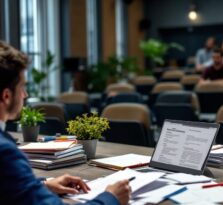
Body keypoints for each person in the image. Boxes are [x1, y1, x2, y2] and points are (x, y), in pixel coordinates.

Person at [0, 41, 131, 205]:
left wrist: (44, 186)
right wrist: (111, 198)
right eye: (22, 87)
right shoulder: (5, 152)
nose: (25, 94)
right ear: (6, 96)